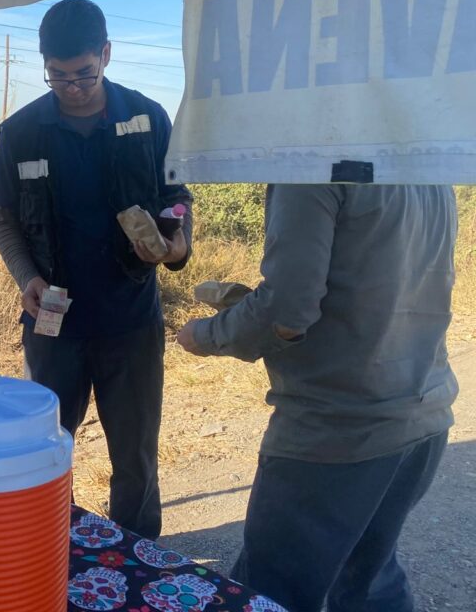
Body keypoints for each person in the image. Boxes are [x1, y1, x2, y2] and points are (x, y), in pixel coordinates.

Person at [176, 184, 458, 612]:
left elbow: (287, 311)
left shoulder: (310, 166)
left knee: (268, 593)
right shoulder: (422, 165)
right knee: (369, 579)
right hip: (424, 415)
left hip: (335, 433)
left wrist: (206, 334)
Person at [0, 0, 192, 539]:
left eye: (84, 73)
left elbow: (177, 198)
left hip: (131, 321)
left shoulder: (147, 118)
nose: (73, 88)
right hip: (54, 327)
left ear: (105, 53)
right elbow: (4, 222)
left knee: (136, 458)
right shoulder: (20, 132)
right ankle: (51, 552)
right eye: (59, 77)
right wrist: (26, 279)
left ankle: (141, 560)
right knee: (47, 453)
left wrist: (175, 243)